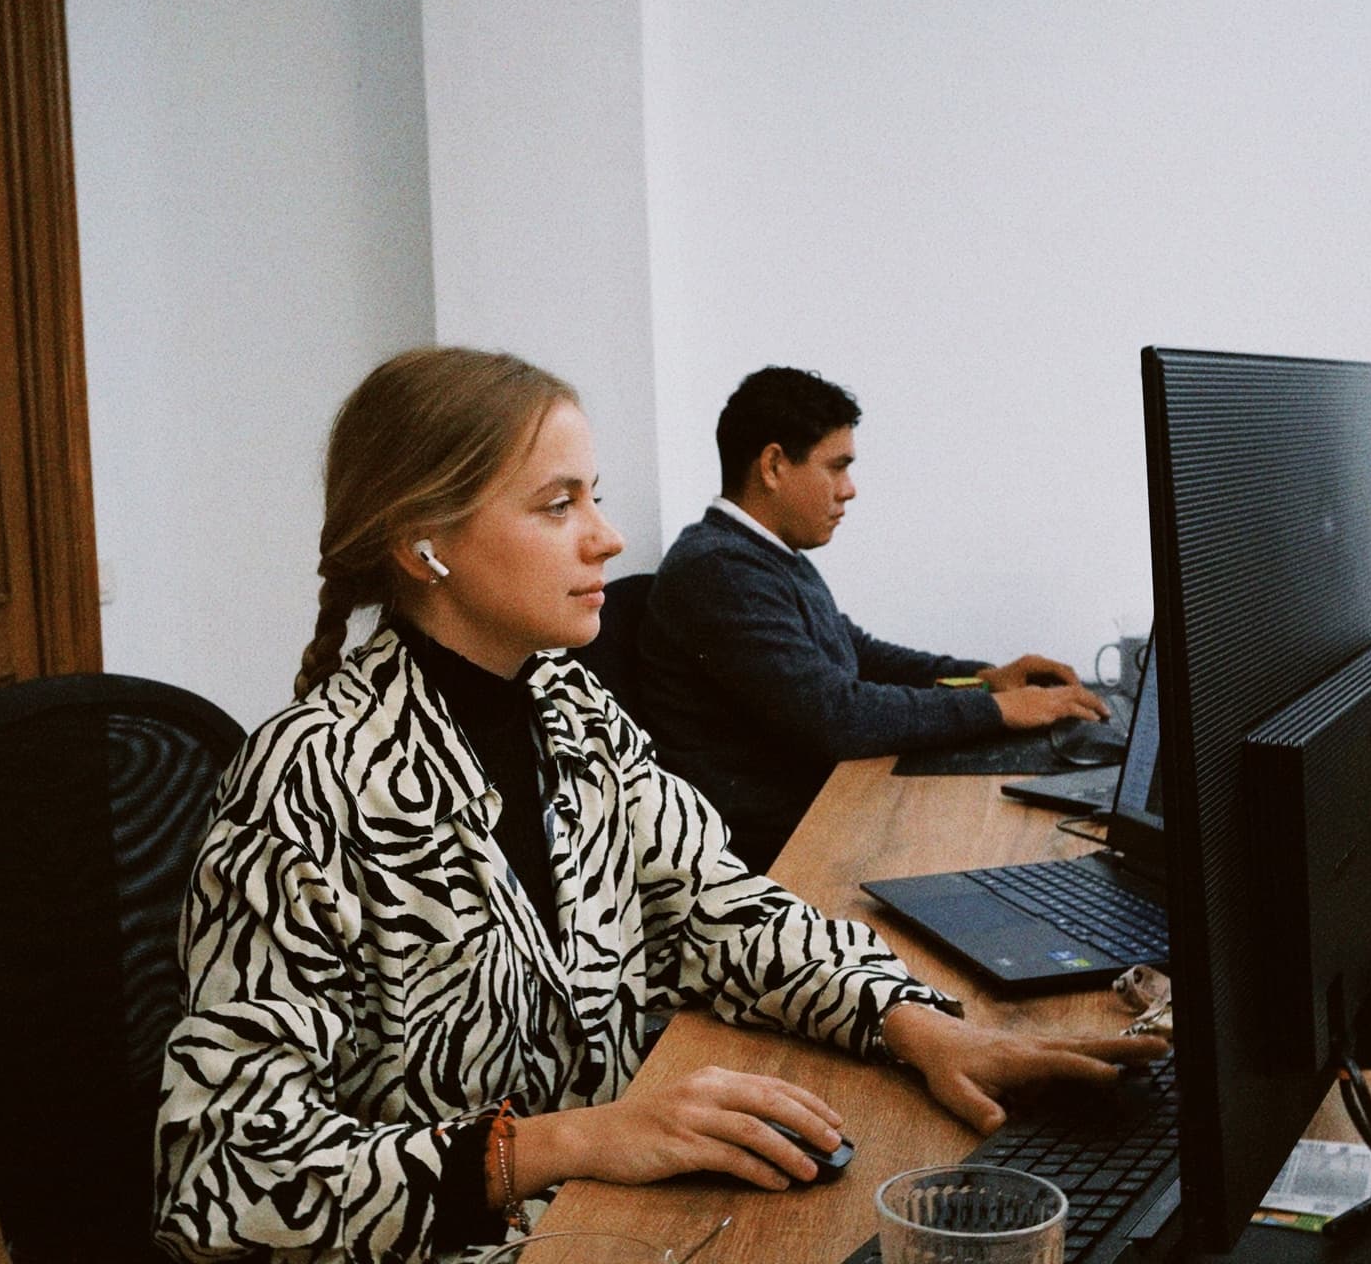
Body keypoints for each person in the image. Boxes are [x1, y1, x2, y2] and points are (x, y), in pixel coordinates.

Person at [152, 347, 1164, 1263]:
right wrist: (567, 1142)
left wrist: (915, 1024)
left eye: (592, 497)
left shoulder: (569, 708)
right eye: (559, 506)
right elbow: (225, 1177)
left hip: (607, 1218)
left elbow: (721, 910)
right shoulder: (306, 783)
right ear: (425, 545)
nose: (609, 536)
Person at [638, 365, 1110, 869]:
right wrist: (996, 710)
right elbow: (837, 716)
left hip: (817, 815)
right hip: (771, 855)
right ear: (773, 466)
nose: (849, 489)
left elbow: (859, 654)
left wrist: (986, 679)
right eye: (836, 467)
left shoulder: (765, 556)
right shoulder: (720, 568)